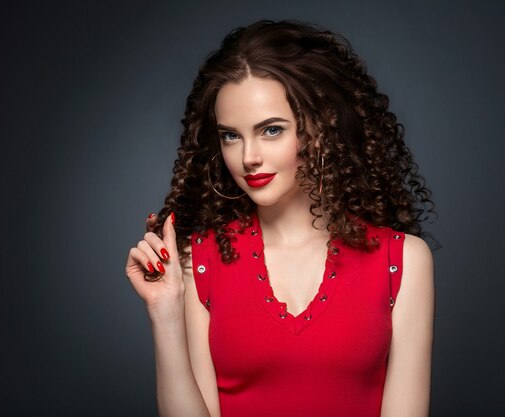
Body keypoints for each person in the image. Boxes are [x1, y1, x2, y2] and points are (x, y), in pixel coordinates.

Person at [125, 20, 435, 417]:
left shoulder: (403, 259)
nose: (248, 156)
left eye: (271, 130)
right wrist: (164, 311)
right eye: (231, 136)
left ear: (321, 129)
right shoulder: (196, 261)